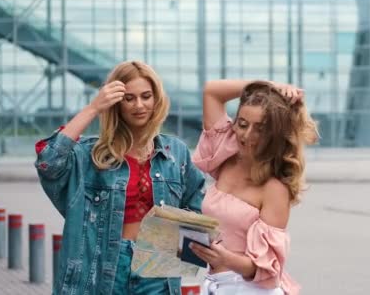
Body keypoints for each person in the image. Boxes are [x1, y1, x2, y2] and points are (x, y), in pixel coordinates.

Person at [34, 61, 205, 294]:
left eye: (146, 96)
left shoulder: (175, 152)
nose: (139, 105)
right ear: (116, 103)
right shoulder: (90, 155)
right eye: (129, 98)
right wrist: (93, 108)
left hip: (156, 268)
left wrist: (176, 256)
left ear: (157, 99)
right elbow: (48, 162)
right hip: (102, 267)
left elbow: (198, 208)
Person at [190, 80, 318, 295]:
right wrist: (269, 86)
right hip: (213, 284)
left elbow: (267, 270)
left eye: (260, 129)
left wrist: (225, 259)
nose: (247, 135)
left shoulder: (275, 188)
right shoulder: (226, 154)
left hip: (248, 289)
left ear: (274, 134)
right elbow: (212, 92)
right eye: (242, 124)